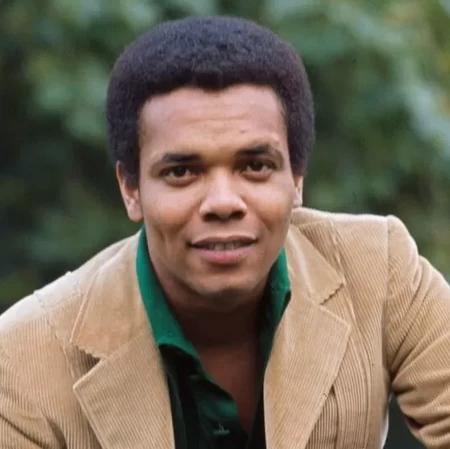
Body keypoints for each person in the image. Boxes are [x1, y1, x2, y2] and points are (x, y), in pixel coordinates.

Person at [1, 15, 449, 449]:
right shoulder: (23, 356)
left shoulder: (381, 270)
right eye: (181, 172)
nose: (222, 202)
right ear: (131, 189)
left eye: (255, 166)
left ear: (296, 178)